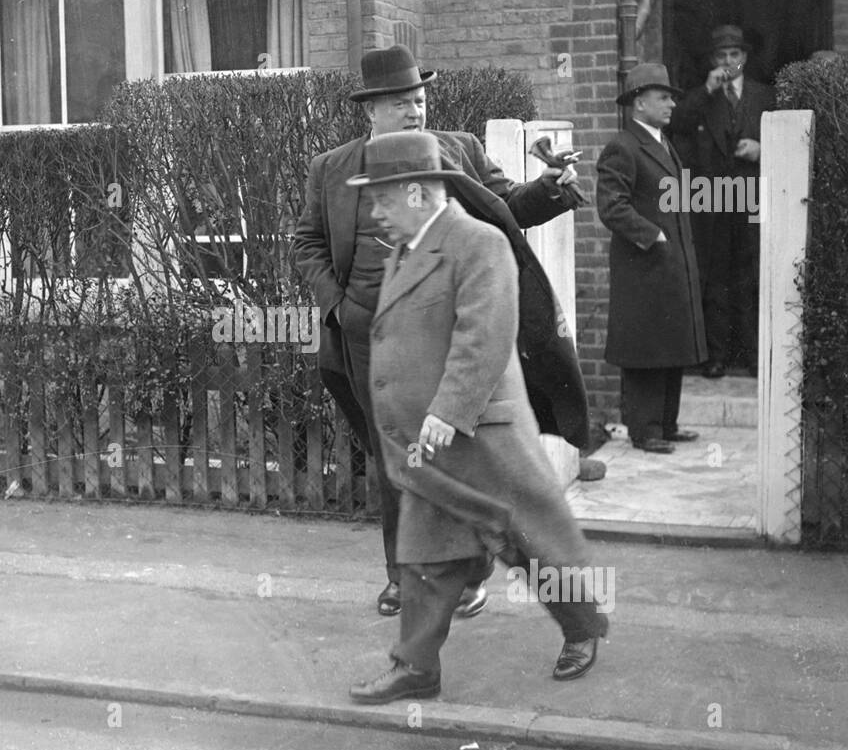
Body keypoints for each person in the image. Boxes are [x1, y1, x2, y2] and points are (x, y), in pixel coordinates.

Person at [294, 44, 586, 617]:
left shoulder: (459, 151)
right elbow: (306, 241)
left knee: (460, 459)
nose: (415, 111)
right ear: (370, 110)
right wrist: (339, 307)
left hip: (445, 338)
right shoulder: (332, 168)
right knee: (392, 462)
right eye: (401, 103)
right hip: (365, 340)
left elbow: (507, 208)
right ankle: (404, 579)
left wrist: (550, 186)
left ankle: (475, 580)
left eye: (420, 100)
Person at [345, 132, 607, 704]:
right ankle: (415, 668)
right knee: (425, 554)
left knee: (531, 542)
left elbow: (484, 335)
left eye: (383, 199)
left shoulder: (478, 242)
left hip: (481, 435)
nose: (375, 212)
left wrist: (448, 410)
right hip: (430, 446)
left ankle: (583, 626)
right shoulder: (405, 250)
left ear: (416, 192)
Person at [596, 63, 705, 454]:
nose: (672, 103)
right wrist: (652, 235)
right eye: (663, 96)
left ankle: (666, 424)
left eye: (671, 96)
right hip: (642, 266)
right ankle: (644, 431)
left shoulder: (663, 143)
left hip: (668, 264)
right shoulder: (623, 146)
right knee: (646, 348)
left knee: (670, 343)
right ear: (639, 103)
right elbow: (611, 206)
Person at [670, 25, 774, 378]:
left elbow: (792, 137)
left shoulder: (764, 95)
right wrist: (706, 90)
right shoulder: (703, 96)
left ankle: (753, 355)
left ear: (744, 57)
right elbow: (677, 124)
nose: (728, 61)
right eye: (721, 55)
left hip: (751, 198)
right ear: (713, 61)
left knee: (751, 275)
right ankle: (716, 356)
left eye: (734, 54)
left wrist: (763, 150)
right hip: (711, 200)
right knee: (714, 278)